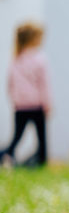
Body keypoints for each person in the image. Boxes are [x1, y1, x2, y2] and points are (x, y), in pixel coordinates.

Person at [1, 22, 51, 167]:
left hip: (20, 106)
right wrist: (47, 103)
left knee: (17, 136)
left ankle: (6, 154)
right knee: (41, 137)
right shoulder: (40, 59)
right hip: (36, 105)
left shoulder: (16, 58)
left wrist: (15, 100)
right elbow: (44, 84)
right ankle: (41, 160)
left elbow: (10, 84)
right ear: (34, 39)